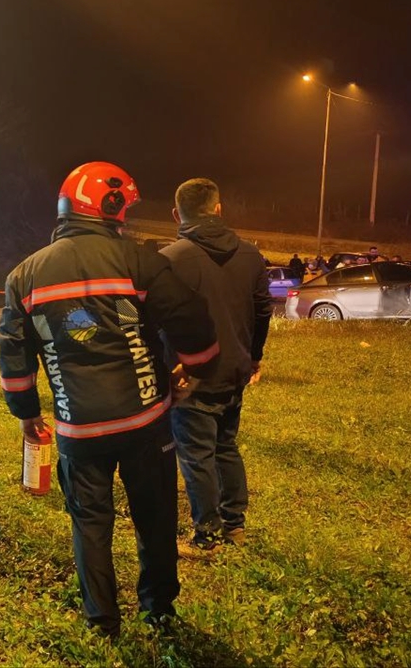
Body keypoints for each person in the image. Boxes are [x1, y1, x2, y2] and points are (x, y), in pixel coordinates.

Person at [0, 161, 220, 636]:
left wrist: (25, 413)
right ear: (109, 205)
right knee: (155, 517)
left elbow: (12, 350)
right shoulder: (137, 260)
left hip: (79, 431)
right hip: (144, 425)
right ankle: (158, 608)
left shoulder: (24, 276)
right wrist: (196, 370)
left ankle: (102, 621)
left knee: (90, 525)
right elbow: (191, 316)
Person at [160, 179, 272, 560]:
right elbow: (262, 312)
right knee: (225, 445)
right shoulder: (251, 255)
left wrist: (169, 367)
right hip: (235, 371)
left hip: (189, 374)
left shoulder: (170, 258)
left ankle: (206, 535)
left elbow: (159, 322)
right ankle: (235, 525)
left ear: (177, 214)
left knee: (195, 455)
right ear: (219, 209)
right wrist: (253, 356)